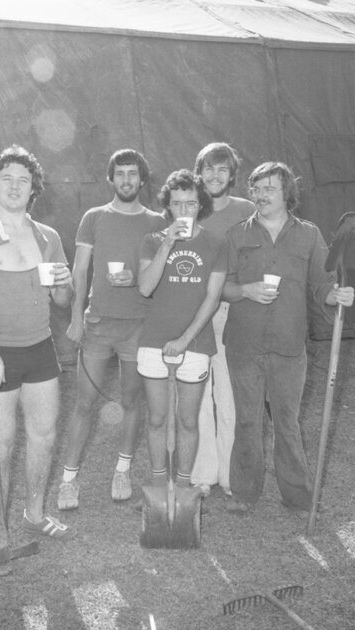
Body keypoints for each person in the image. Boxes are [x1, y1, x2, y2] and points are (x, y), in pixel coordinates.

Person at [0, 145, 76, 576]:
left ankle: (34, 512)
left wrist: (65, 283)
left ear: (33, 190)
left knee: (43, 436)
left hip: (40, 348)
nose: (15, 186)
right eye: (7, 178)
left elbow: (62, 300)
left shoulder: (48, 237)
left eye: (23, 180)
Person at [221, 162, 355, 515]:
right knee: (247, 420)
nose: (261, 195)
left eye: (270, 188)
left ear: (287, 195)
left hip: (290, 344)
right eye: (256, 188)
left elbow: (322, 284)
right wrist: (245, 290)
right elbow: (222, 286)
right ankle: (244, 492)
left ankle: (297, 495)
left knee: (287, 421)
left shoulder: (309, 235)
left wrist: (336, 296)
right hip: (243, 344)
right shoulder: (237, 235)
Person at [57, 149, 167, 510]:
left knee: (132, 401)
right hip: (99, 323)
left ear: (142, 179)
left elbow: (159, 273)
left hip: (140, 324)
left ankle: (122, 470)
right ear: (110, 179)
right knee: (84, 404)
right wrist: (76, 316)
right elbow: (79, 270)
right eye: (120, 174)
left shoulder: (156, 221)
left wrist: (136, 278)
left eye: (132, 174)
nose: (126, 180)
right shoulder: (94, 217)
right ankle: (68, 480)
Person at [136, 170, 227, 491]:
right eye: (177, 204)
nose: (184, 211)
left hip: (195, 343)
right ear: (168, 207)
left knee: (188, 420)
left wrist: (185, 340)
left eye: (190, 204)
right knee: (158, 418)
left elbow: (213, 298)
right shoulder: (152, 241)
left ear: (200, 204)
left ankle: (185, 485)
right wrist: (168, 243)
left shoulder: (215, 242)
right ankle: (159, 483)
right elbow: (145, 288)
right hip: (153, 342)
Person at [190, 142, 257, 499]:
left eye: (222, 169)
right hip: (196, 313)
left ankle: (232, 474)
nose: (214, 176)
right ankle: (203, 474)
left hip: (233, 313)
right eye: (208, 169)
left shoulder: (247, 209)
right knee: (198, 395)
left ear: (232, 174)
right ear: (199, 172)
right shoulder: (190, 209)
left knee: (230, 396)